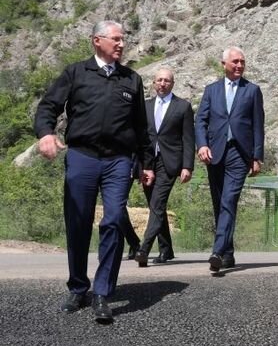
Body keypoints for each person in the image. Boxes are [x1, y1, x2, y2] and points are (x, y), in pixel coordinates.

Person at [34, 20, 154, 323]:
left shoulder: (132, 79)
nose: (122, 44)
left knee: (113, 221)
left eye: (123, 39)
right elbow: (48, 106)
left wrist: (146, 163)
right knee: (78, 223)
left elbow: (141, 126)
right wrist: (46, 134)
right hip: (82, 157)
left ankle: (102, 292)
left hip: (118, 161)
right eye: (115, 39)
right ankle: (78, 287)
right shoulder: (76, 73)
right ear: (96, 41)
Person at [195, 46, 264, 273]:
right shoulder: (211, 90)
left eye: (242, 62)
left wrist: (257, 157)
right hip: (215, 153)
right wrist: (202, 144)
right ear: (223, 64)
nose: (239, 66)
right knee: (219, 204)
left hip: (239, 154)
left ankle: (216, 251)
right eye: (235, 61)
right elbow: (201, 121)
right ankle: (228, 253)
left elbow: (257, 126)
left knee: (229, 201)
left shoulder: (252, 91)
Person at [135, 67, 195, 267]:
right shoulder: (144, 106)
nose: (162, 83)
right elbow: (140, 136)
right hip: (148, 163)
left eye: (167, 81)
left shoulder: (183, 107)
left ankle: (143, 249)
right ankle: (166, 249)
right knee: (155, 205)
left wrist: (187, 166)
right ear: (154, 83)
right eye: (159, 80)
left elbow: (188, 139)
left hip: (170, 163)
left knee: (157, 205)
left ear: (173, 84)